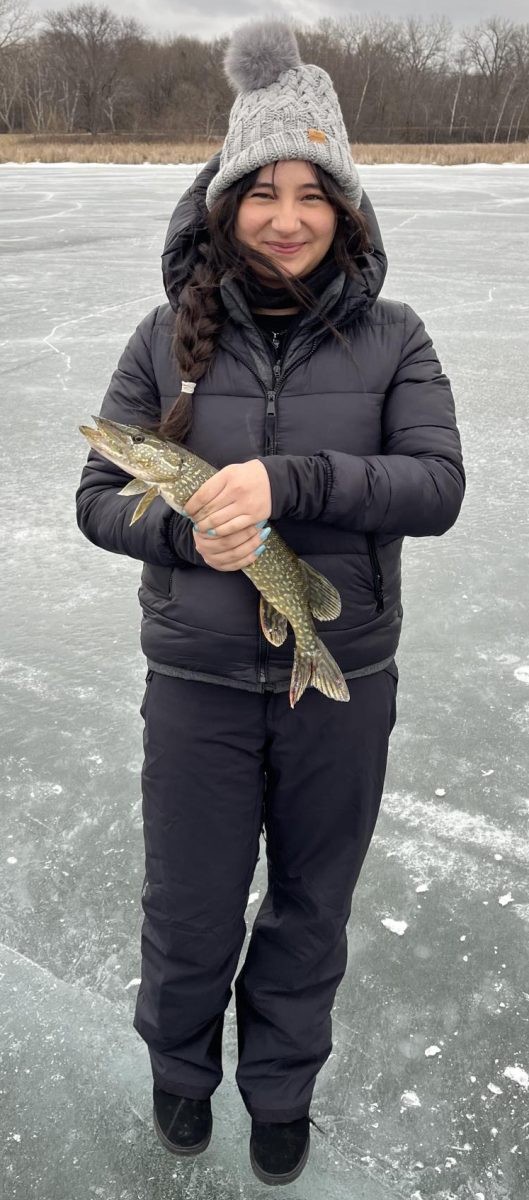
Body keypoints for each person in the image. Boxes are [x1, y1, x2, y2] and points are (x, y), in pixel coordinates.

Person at [75, 18, 465, 1187]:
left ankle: (280, 1091)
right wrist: (190, 531)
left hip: (339, 690)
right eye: (261, 191)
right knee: (189, 910)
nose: (286, 216)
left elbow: (436, 486)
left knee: (309, 908)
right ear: (223, 200)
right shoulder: (164, 341)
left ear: (345, 211)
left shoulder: (397, 339)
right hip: (194, 685)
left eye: (313, 192)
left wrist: (289, 483)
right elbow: (100, 494)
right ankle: (179, 1076)